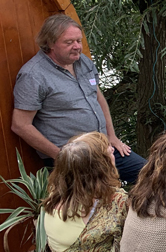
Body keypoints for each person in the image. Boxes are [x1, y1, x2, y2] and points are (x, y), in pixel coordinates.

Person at [12, 14, 146, 184]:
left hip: (105, 148)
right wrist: (61, 157)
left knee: (154, 176)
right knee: (95, 201)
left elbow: (98, 98)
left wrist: (112, 136)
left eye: (78, 41)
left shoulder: (83, 62)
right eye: (69, 42)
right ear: (50, 43)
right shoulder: (33, 75)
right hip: (75, 158)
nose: (77, 47)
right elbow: (20, 125)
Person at [42, 132, 127, 252]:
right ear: (100, 166)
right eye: (109, 152)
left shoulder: (54, 196)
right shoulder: (115, 202)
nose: (112, 151)